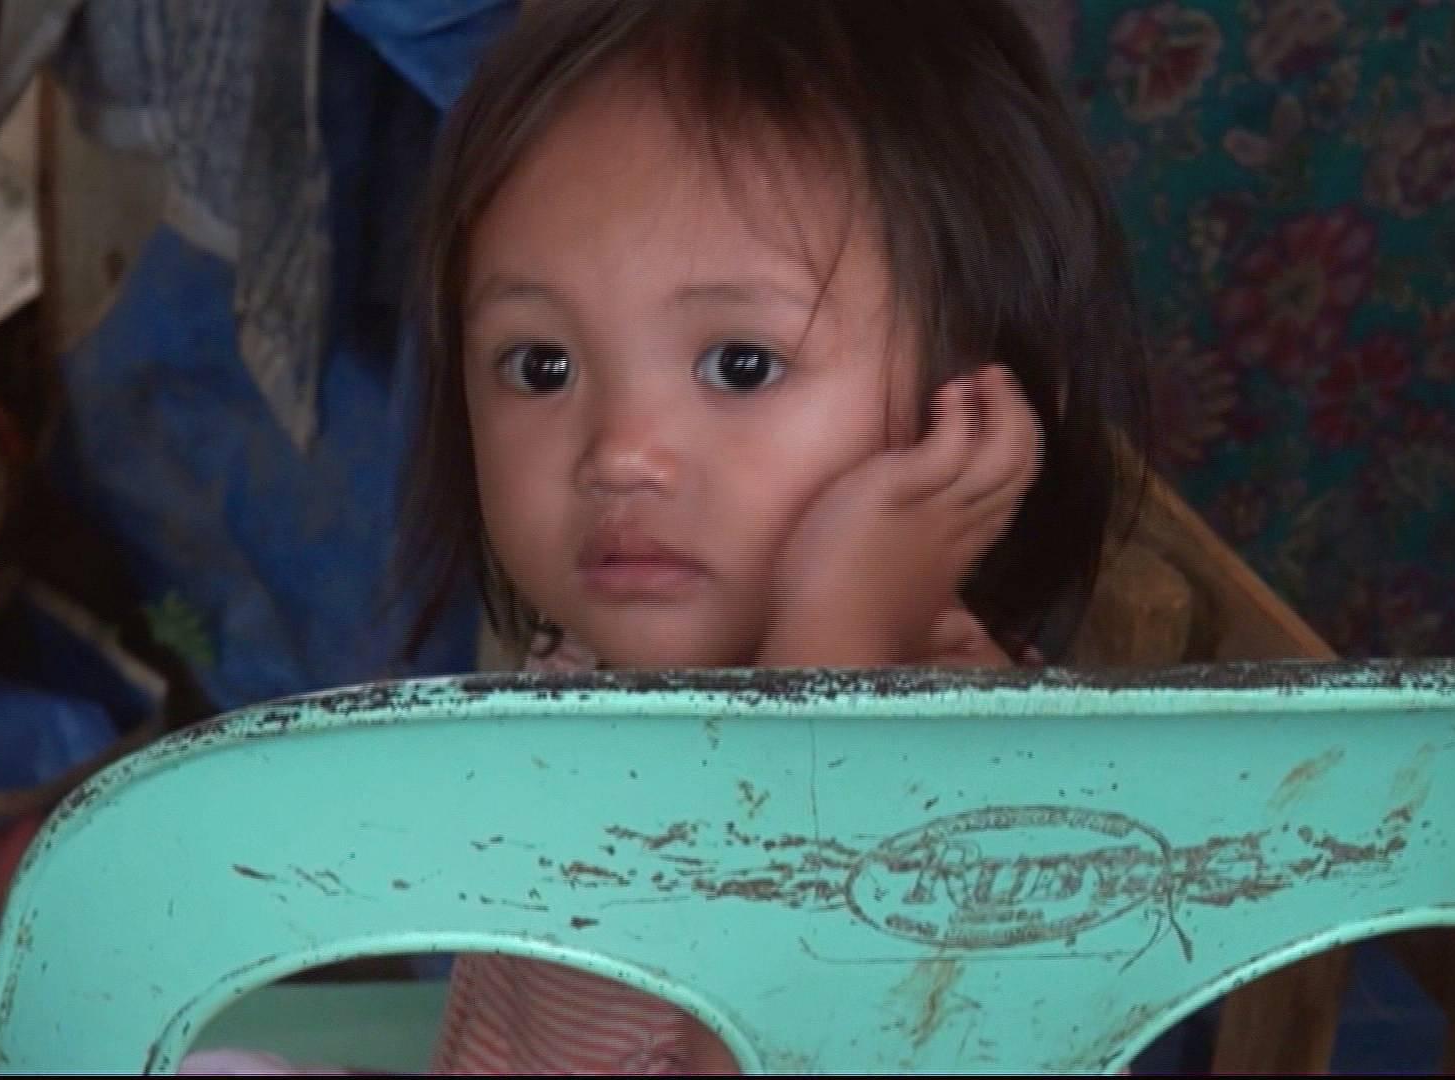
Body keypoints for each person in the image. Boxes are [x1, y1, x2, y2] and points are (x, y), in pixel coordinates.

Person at [203, 0, 1154, 1071]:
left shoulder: (981, 795)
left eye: (741, 365)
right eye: (541, 366)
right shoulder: (595, 671)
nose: (618, 453)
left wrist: (830, 649)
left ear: (973, 413)